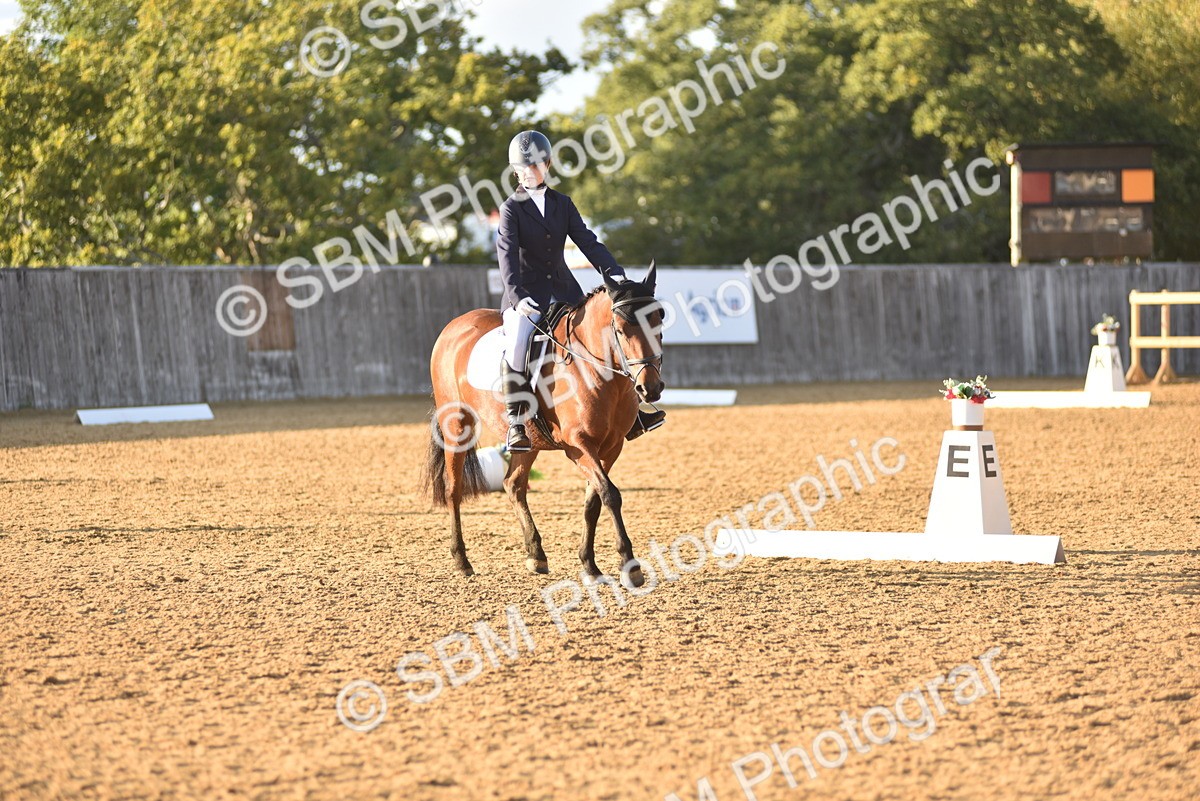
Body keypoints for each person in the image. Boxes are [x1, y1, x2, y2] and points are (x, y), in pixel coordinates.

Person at [495, 130, 664, 452]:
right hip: (526, 294)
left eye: (535, 166)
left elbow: (587, 241)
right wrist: (517, 297)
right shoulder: (511, 208)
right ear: (515, 170)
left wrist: (613, 271)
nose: (529, 172)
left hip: (563, 289)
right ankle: (516, 421)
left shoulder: (563, 204)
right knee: (517, 341)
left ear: (547, 164)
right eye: (522, 168)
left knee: (608, 334)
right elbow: (506, 255)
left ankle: (633, 413)